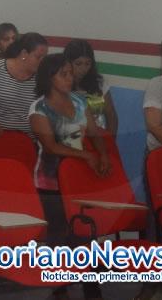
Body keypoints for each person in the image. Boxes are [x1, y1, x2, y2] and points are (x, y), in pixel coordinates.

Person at [29, 53, 110, 300]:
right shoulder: (38, 108)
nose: (69, 77)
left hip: (78, 179)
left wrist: (103, 154)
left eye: (69, 72)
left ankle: (91, 288)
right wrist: (87, 156)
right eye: (63, 73)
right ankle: (60, 287)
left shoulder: (79, 101)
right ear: (48, 78)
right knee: (58, 234)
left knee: (86, 231)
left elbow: (94, 133)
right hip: (50, 180)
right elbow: (51, 146)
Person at [64, 39, 118, 135]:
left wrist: (110, 141)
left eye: (87, 63)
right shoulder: (60, 84)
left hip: (99, 137)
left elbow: (111, 115)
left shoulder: (99, 83)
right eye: (78, 63)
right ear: (68, 62)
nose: (83, 69)